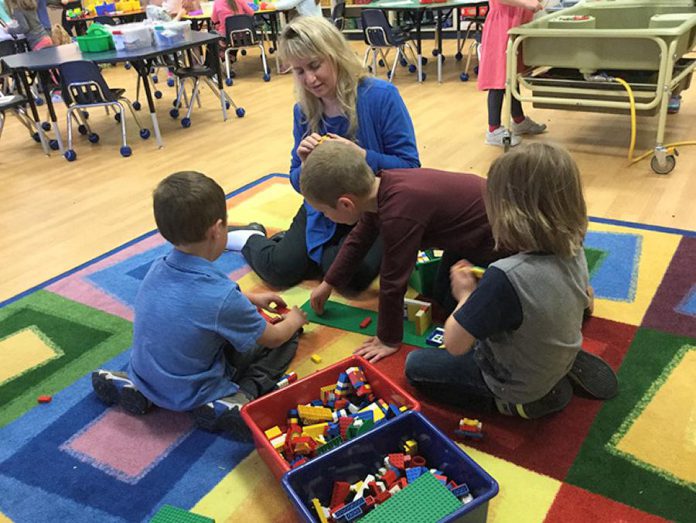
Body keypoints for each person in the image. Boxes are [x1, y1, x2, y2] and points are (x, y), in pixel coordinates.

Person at [405, 143, 618, 419]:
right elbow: (584, 296)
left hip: (513, 385)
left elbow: (455, 343)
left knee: (416, 365)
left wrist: (466, 295)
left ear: (507, 211)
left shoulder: (505, 275)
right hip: (556, 346)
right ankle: (556, 364)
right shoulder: (573, 247)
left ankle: (518, 402)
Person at [92, 171, 308, 438]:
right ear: (217, 230)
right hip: (195, 389)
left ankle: (139, 389)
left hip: (145, 374)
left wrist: (250, 298)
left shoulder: (158, 267)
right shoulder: (222, 297)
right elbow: (272, 338)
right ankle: (240, 396)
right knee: (285, 339)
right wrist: (294, 320)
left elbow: (202, 301)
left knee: (176, 334)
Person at [227, 16, 420, 292]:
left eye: (315, 65)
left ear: (335, 55)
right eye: (299, 71)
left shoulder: (381, 96)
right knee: (280, 270)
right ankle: (252, 237)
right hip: (325, 207)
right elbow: (297, 181)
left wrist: (361, 155)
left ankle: (311, 252)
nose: (310, 79)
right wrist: (306, 168)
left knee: (346, 276)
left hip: (371, 208)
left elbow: (411, 169)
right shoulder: (304, 110)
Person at [304, 141, 503, 363]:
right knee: (441, 296)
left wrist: (388, 339)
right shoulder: (380, 187)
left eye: (324, 212)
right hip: (471, 232)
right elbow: (358, 240)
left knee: (455, 307)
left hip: (496, 242)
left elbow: (393, 281)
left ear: (346, 204)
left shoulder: (398, 214)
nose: (325, 217)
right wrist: (328, 283)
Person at [478, 0, 547, 147]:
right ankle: (493, 129)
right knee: (498, 78)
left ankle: (519, 120)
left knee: (512, 75)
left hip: (517, 22)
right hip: (502, 25)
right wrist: (526, 4)